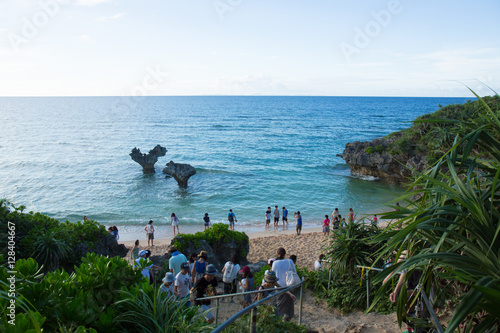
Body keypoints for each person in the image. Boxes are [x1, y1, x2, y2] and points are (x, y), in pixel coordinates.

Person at [271, 247, 298, 320]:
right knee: (288, 309)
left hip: (279, 287)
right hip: (289, 286)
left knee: (279, 308)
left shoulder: (275, 263)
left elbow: (272, 275)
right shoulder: (290, 261)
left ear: (277, 254)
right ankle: (287, 320)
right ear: (285, 254)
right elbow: (294, 272)